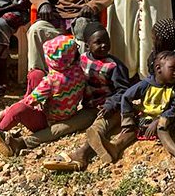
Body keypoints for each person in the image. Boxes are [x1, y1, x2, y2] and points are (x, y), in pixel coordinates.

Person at [41, 23, 130, 171]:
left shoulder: (114, 66)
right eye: (98, 42)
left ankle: (80, 155)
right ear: (87, 45)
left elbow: (124, 91)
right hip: (89, 108)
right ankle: (22, 142)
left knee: (97, 129)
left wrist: (111, 104)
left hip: (109, 109)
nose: (104, 45)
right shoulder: (81, 60)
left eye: (106, 41)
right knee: (60, 128)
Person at [0, 35, 87, 158]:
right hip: (68, 112)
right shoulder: (79, 70)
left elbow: (29, 102)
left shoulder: (52, 81)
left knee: (18, 109)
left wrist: (4, 112)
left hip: (48, 121)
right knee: (36, 74)